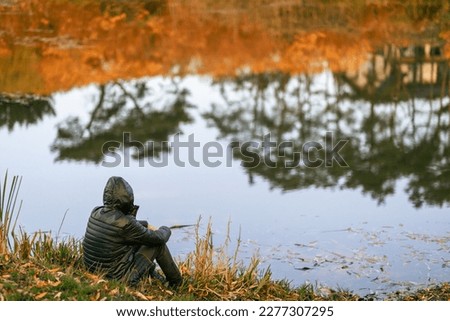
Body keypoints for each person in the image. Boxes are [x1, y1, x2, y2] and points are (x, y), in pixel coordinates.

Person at [82, 176, 182, 288]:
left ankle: (152, 275)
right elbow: (159, 238)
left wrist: (145, 224)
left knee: (139, 240)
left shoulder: (96, 211)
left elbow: (121, 227)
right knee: (158, 245)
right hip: (118, 279)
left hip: (92, 270)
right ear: (127, 198)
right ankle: (176, 284)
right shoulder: (126, 224)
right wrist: (165, 228)